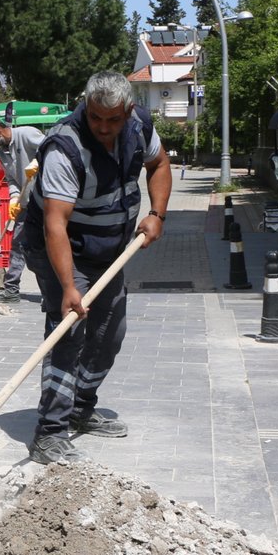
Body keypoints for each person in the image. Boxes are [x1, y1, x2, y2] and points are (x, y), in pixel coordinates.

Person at [14, 71, 170, 465]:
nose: (103, 127)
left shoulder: (140, 125)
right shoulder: (64, 147)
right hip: (61, 249)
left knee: (109, 332)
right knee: (68, 331)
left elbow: (160, 163)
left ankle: (81, 408)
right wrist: (68, 287)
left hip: (109, 250)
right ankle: (49, 434)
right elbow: (55, 225)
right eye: (95, 117)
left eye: (112, 119)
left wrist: (157, 214)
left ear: (128, 110)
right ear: (86, 106)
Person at [0, 116, 46, 302]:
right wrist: (15, 198)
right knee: (17, 244)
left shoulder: (26, 134)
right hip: (26, 204)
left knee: (46, 247)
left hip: (48, 202)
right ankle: (11, 290)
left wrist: (38, 162)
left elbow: (52, 147)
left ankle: (54, 290)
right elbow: (12, 179)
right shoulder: (1, 151)